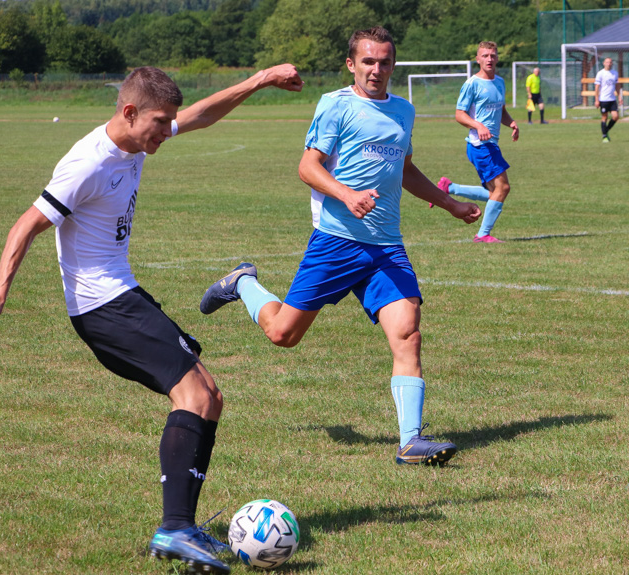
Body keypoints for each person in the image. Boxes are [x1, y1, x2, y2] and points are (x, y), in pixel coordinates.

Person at [0, 64, 303, 574]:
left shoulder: (136, 138)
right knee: (195, 395)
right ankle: (174, 529)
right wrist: (0, 291)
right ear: (129, 113)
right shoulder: (87, 162)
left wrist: (258, 81)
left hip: (124, 295)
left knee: (210, 397)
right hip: (102, 306)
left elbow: (200, 115)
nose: (166, 130)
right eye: (159, 121)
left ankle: (183, 529)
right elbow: (26, 224)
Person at [199, 27, 480, 468]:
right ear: (352, 64)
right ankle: (244, 283)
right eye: (368, 61)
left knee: (407, 330)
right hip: (336, 241)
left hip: (386, 245)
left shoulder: (404, 111)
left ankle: (410, 442)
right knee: (283, 335)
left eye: (385, 62)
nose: (377, 69)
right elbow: (308, 167)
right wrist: (348, 196)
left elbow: (404, 169)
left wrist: (448, 204)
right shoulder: (336, 105)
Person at [434, 41, 519, 244]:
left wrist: (512, 123)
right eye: (485, 55)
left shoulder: (499, 82)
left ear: (497, 58)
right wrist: (478, 126)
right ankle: (482, 234)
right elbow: (459, 114)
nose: (489, 59)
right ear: (478, 59)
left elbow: (501, 110)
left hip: (491, 144)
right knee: (503, 188)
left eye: (493, 55)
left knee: (494, 191)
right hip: (480, 145)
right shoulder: (472, 84)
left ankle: (449, 187)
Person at [594, 57, 622, 142]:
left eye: (610, 62)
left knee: (616, 116)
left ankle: (605, 131)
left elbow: (617, 86)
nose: (609, 64)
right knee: (604, 117)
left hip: (612, 99)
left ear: (612, 63)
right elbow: (597, 87)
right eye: (607, 62)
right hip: (603, 99)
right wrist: (597, 100)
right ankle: (605, 136)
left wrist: (619, 96)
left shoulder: (615, 73)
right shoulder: (600, 73)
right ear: (604, 63)